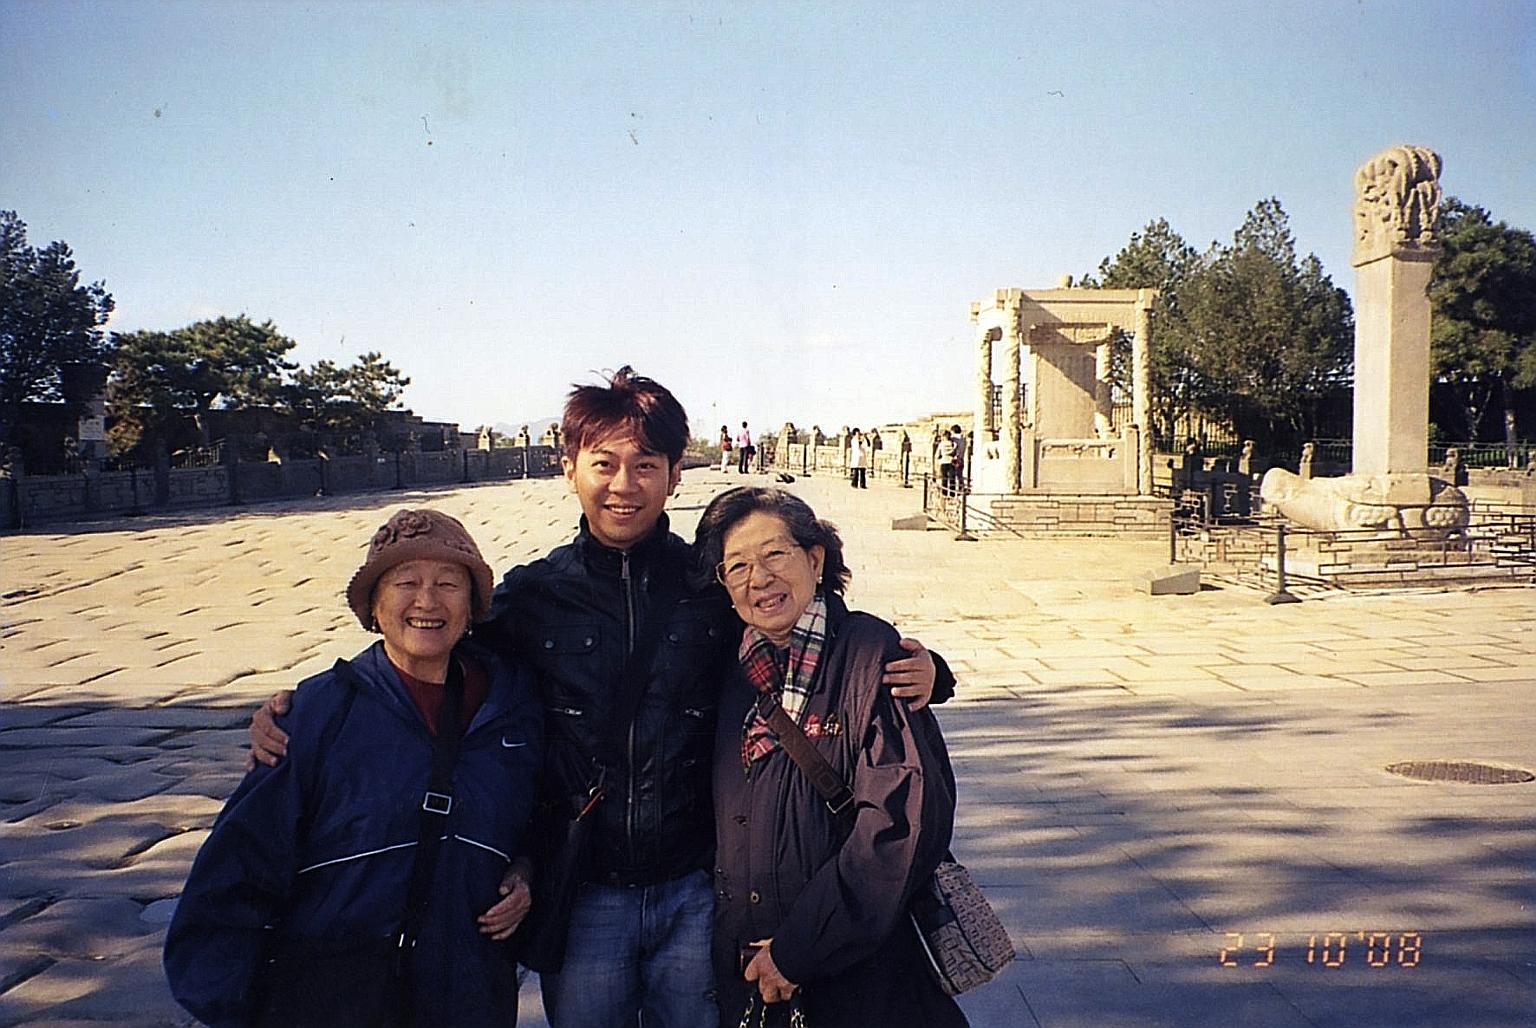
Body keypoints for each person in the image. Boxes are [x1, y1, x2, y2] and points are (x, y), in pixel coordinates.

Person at [248, 367, 951, 1028]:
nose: (625, 484)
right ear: (570, 469)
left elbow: (807, 635)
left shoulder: (708, 588)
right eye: (604, 463)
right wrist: (308, 707)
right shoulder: (533, 597)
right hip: (584, 892)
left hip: (697, 889)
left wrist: (927, 669)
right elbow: (431, 657)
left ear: (675, 473)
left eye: (646, 464)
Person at [166, 509, 543, 1027]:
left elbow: (538, 815)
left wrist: (525, 871)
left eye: (448, 584)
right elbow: (239, 869)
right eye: (406, 583)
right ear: (373, 605)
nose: (427, 602)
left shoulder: (513, 706)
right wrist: (236, 1003)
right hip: (338, 996)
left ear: (473, 604)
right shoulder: (318, 715)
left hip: (469, 992)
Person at [693, 487, 968, 1027]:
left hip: (854, 971)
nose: (760, 578)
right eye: (738, 566)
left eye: (775, 554)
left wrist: (797, 950)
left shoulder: (869, 655)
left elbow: (897, 826)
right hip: (753, 972)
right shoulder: (731, 667)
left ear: (815, 559)